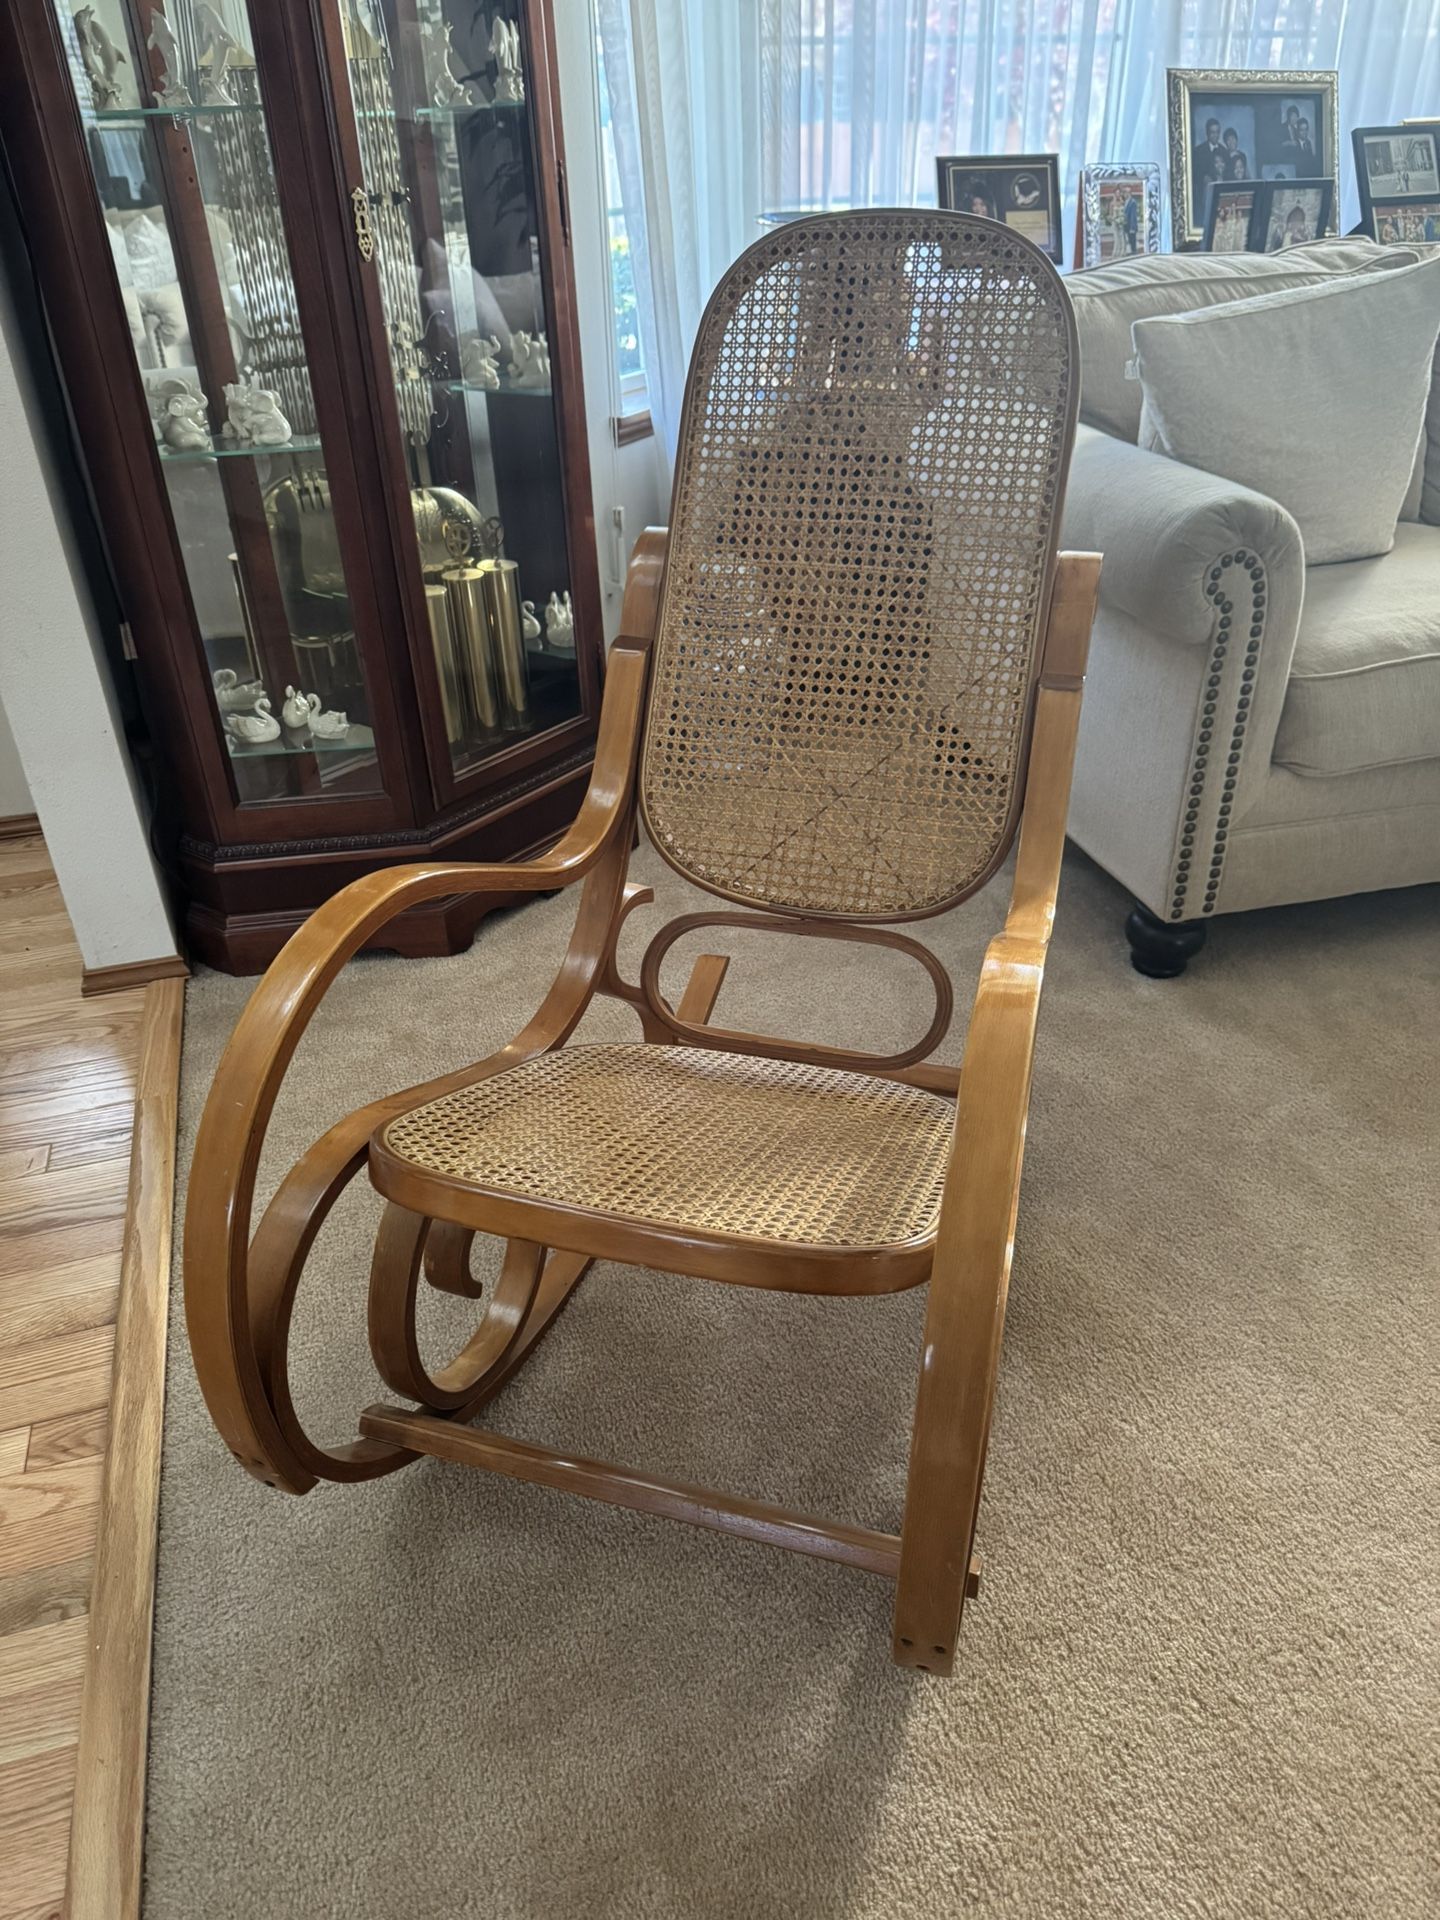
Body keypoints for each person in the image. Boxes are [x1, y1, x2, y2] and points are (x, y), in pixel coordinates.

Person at [1193, 116, 1227, 192]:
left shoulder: (1224, 151)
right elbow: (1194, 173)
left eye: (1217, 132)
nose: (1215, 135)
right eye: (1213, 132)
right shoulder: (1198, 151)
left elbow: (1228, 173)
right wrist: (1203, 178)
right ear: (1207, 133)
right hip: (1202, 192)